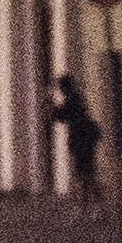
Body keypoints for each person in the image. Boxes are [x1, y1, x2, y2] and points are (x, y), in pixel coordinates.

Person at [49, 69, 104, 210]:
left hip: (81, 139)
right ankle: (89, 205)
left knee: (84, 175)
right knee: (87, 174)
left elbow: (59, 116)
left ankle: (89, 205)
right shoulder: (76, 98)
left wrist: (49, 102)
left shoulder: (72, 100)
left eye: (60, 87)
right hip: (85, 139)